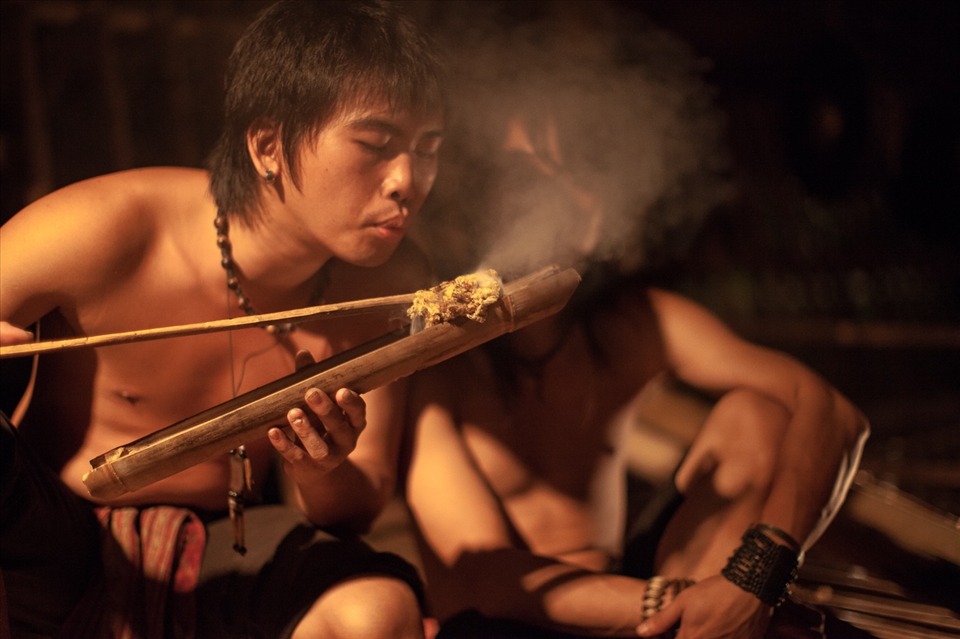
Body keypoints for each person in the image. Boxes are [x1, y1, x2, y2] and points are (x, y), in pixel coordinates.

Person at [401, 3, 870, 637]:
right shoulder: (440, 357)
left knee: (754, 418)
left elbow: (832, 411)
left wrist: (759, 576)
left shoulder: (633, 324)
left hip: (636, 601)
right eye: (520, 176)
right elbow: (487, 579)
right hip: (503, 623)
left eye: (572, 178)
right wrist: (679, 599)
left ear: (599, 221)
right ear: (483, 199)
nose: (549, 196)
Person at [0, 1, 444, 637]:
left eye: (428, 149)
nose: (407, 180)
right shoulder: (105, 229)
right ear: (268, 145)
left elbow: (358, 504)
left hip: (223, 542)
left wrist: (321, 469)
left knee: (375, 608)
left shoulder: (392, 285)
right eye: (375, 145)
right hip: (53, 538)